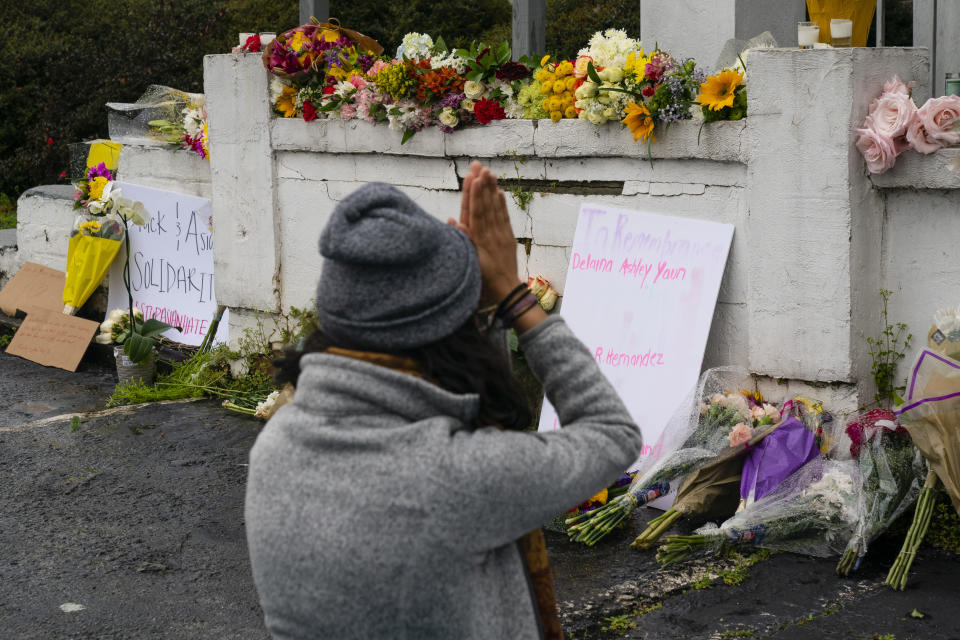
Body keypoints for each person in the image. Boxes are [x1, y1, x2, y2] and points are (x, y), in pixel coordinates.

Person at [244, 162, 644, 639]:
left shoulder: (278, 445)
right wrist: (513, 296)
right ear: (455, 338)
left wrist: (468, 303)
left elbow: (472, 403)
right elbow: (612, 433)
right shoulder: (456, 475)